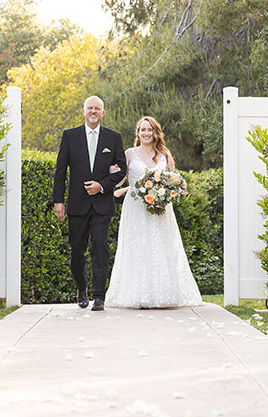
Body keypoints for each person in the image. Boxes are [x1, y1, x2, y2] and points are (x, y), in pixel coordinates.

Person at [105, 116, 202, 308]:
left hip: (161, 209)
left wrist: (168, 195)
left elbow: (173, 181)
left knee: (160, 247)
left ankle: (161, 294)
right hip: (135, 208)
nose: (146, 133)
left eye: (150, 130)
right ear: (138, 133)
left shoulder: (164, 155)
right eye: (143, 130)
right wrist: (111, 172)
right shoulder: (129, 154)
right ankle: (136, 295)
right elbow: (119, 181)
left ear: (155, 132)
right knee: (137, 248)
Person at [53, 96, 127, 312]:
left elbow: (122, 169)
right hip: (77, 204)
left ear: (102, 113)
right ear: (83, 111)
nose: (94, 111)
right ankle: (82, 289)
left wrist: (102, 185)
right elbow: (60, 171)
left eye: (98, 108)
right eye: (90, 108)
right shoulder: (70, 136)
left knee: (100, 247)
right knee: (77, 250)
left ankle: (99, 296)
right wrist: (58, 200)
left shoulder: (113, 137)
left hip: (102, 204)